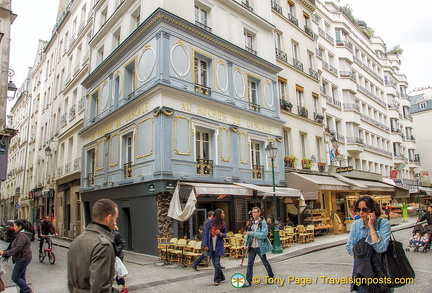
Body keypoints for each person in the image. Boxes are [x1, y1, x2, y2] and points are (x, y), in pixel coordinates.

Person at [67, 198, 120, 293]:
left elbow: (70, 282)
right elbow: (100, 289)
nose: (115, 223)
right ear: (109, 218)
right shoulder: (103, 246)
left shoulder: (76, 241)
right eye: (115, 219)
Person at [346, 196, 391, 293]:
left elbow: (380, 248)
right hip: (362, 271)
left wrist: (371, 226)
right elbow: (349, 247)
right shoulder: (356, 225)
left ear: (372, 209)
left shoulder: (383, 224)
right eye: (358, 209)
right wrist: (363, 256)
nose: (361, 212)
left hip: (380, 271)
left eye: (365, 209)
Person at [243, 207, 275, 288]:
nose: (254, 214)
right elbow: (248, 234)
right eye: (253, 212)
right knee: (250, 264)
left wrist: (253, 233)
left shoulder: (263, 223)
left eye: (255, 212)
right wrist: (246, 244)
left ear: (259, 213)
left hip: (260, 247)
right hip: (252, 247)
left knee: (265, 262)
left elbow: (263, 235)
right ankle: (248, 281)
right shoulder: (251, 222)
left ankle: (271, 276)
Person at [0, 219, 33, 293]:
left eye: (15, 226)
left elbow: (17, 248)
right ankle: (24, 291)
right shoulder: (19, 235)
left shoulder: (22, 236)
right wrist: (4, 252)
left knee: (15, 277)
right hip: (22, 258)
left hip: (23, 258)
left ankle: (28, 291)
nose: (14, 228)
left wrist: (4, 253)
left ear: (20, 226)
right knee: (21, 276)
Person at [203, 209, 226, 286]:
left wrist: (221, 233)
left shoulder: (223, 223)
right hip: (211, 245)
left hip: (218, 245)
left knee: (216, 263)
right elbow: (206, 234)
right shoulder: (209, 223)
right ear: (219, 214)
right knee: (215, 263)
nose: (224, 214)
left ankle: (216, 279)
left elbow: (225, 234)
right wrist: (205, 245)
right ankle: (222, 276)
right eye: (222, 213)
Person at [113, 226, 128, 293]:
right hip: (112, 256)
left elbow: (122, 244)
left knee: (119, 273)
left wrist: (115, 251)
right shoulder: (106, 233)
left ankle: (124, 288)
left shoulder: (116, 234)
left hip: (118, 256)